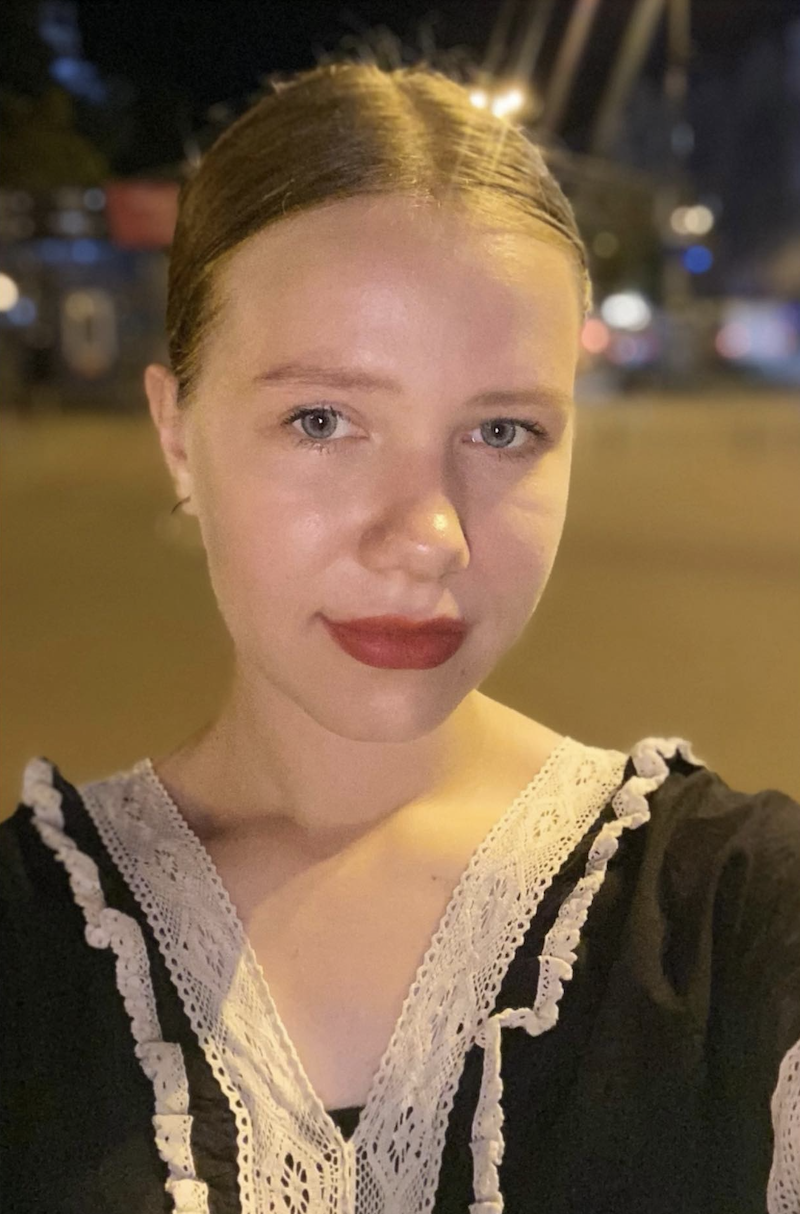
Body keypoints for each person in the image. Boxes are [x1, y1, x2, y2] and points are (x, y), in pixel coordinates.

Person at [1, 59, 798, 1214]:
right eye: (322, 419)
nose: (428, 537)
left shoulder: (728, 919)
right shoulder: (30, 949)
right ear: (177, 436)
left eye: (503, 430)